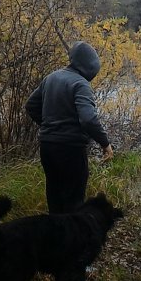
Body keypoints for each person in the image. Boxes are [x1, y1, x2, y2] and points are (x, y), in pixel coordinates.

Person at [26, 41, 113, 214]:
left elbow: (30, 106)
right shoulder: (81, 84)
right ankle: (72, 239)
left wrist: (49, 127)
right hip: (71, 150)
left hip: (48, 147)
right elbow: (88, 119)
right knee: (74, 201)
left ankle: (56, 238)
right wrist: (105, 144)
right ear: (91, 67)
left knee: (54, 195)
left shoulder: (51, 77)